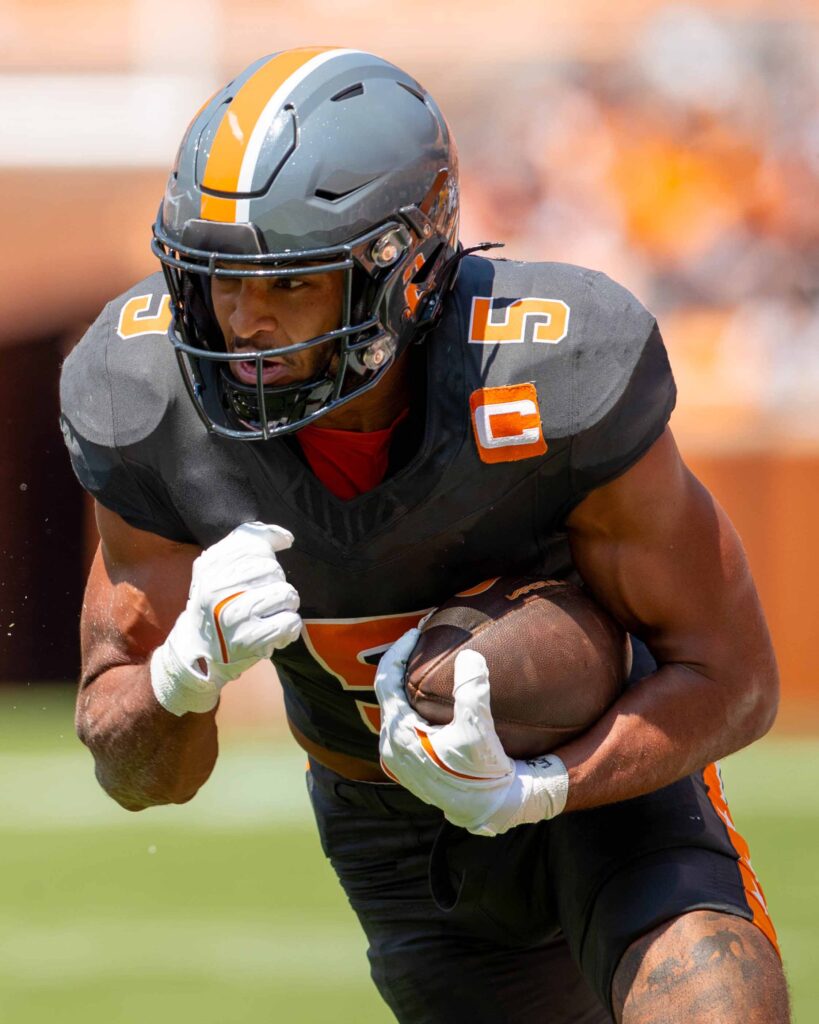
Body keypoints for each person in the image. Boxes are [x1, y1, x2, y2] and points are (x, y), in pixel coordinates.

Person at [60, 47, 790, 1023]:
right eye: (219, 278)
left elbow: (735, 675)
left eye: (288, 285)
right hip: (388, 823)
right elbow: (140, 775)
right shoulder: (145, 393)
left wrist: (541, 787)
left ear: (401, 271)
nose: (241, 323)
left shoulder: (550, 364)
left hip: (608, 786)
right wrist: (178, 677)